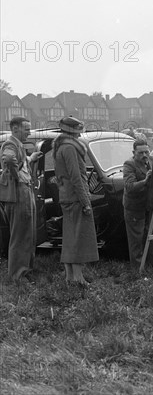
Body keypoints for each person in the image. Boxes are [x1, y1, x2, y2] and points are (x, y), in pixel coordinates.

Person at [53, 116, 98, 285]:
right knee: (78, 238)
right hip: (75, 197)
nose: (80, 136)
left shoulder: (61, 147)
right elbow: (76, 178)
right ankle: (78, 278)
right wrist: (86, 202)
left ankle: (69, 276)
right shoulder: (70, 148)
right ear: (73, 133)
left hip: (67, 196)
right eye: (78, 133)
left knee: (70, 237)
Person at [0, 116, 43, 281]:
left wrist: (31, 159)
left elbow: (18, 160)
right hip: (18, 194)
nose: (29, 132)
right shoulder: (11, 144)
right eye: (26, 129)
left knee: (28, 234)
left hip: (24, 192)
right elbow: (9, 159)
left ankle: (25, 271)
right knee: (20, 235)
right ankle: (18, 275)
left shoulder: (17, 145)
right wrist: (16, 176)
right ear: (15, 129)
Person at [123, 138, 153, 268]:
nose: (144, 156)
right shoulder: (129, 164)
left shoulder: (151, 161)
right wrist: (145, 181)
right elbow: (129, 186)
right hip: (134, 207)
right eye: (140, 153)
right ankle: (137, 269)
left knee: (150, 236)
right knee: (136, 239)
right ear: (133, 152)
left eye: (146, 152)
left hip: (148, 205)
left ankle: (151, 265)